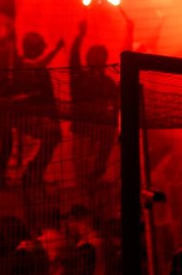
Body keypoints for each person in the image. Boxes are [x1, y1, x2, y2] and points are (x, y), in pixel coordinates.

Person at [69, 21, 121, 183]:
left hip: (99, 129)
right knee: (80, 170)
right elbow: (73, 59)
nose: (98, 60)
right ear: (89, 58)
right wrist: (80, 36)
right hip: (82, 128)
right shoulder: (80, 77)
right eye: (95, 56)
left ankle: (97, 174)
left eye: (101, 56)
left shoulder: (108, 83)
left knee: (91, 173)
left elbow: (116, 102)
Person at [12, 31, 65, 185]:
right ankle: (32, 174)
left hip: (40, 116)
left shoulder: (40, 70)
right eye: (40, 47)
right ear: (33, 48)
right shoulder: (23, 65)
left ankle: (34, 174)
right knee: (52, 136)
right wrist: (57, 49)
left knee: (54, 137)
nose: (42, 50)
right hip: (27, 117)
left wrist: (53, 116)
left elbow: (46, 95)